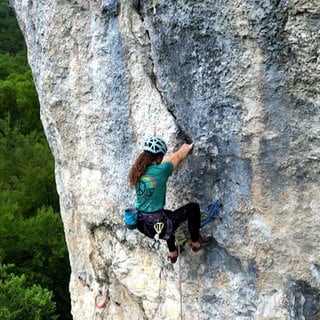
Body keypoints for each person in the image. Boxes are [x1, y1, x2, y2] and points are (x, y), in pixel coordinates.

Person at [128, 137, 212, 263]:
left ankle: (173, 252)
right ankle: (195, 242)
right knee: (192, 208)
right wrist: (185, 149)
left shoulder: (139, 171)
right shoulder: (161, 171)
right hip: (156, 225)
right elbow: (178, 157)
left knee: (169, 218)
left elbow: (165, 164)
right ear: (159, 157)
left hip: (142, 223)